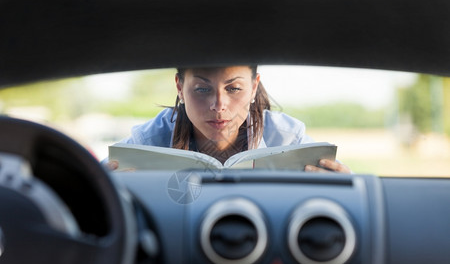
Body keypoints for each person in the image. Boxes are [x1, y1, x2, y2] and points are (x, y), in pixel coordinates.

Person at [107, 66, 350, 173]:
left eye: (234, 88)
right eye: (202, 89)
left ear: (254, 87)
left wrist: (341, 186)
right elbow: (89, 184)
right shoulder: (146, 142)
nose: (219, 106)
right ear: (180, 88)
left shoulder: (289, 138)